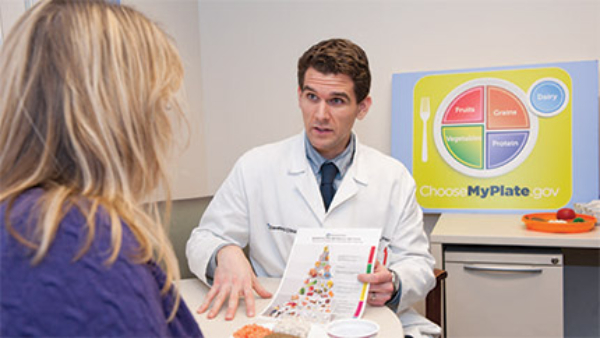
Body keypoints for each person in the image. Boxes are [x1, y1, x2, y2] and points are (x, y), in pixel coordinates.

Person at [186, 38, 440, 338]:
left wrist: (395, 283)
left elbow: (419, 263)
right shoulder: (255, 166)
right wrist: (223, 252)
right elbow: (203, 238)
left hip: (368, 321)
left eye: (336, 100)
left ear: (363, 106)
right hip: (281, 324)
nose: (320, 115)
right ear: (299, 96)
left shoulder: (392, 177)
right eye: (311, 97)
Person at [0, 1, 202, 336]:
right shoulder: (80, 241)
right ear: (123, 113)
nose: (166, 124)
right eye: (161, 104)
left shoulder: (23, 217)